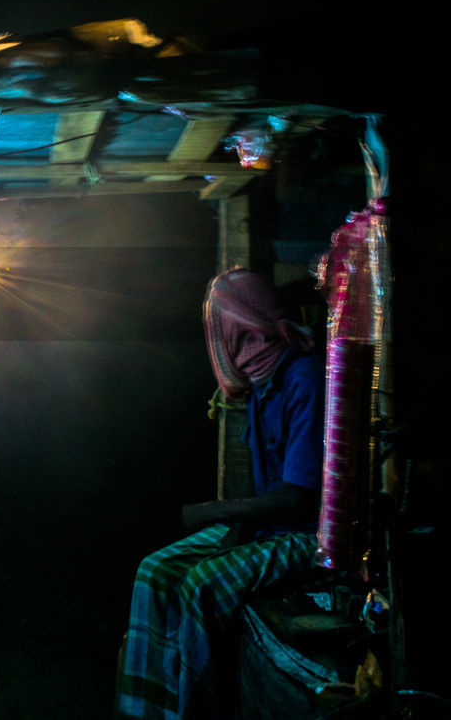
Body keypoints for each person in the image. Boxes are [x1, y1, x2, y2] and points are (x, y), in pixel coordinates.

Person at [115, 267, 325, 719]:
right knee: (154, 570)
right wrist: (236, 530)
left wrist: (213, 512)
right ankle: (142, 709)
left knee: (198, 588)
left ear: (242, 327)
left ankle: (192, 710)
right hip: (269, 528)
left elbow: (299, 500)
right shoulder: (261, 386)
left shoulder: (304, 377)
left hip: (309, 538)